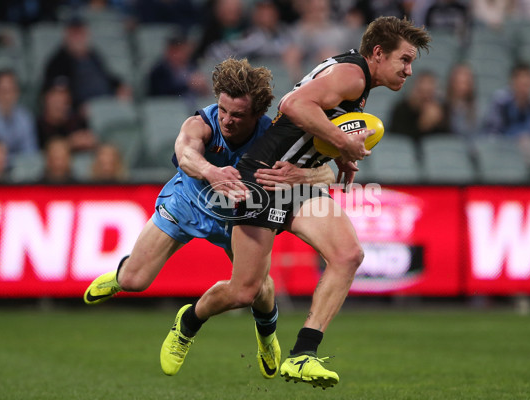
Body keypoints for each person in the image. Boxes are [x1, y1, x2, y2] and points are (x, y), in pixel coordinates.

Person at [159, 16, 431, 388]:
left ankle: (304, 354)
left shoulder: (355, 78)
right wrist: (342, 140)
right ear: (379, 54)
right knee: (244, 291)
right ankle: (188, 322)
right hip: (263, 176)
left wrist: (337, 154)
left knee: (348, 254)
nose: (409, 70)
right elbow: (293, 104)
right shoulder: (353, 75)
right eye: (405, 59)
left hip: (296, 183)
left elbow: (312, 118)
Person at [83, 58, 335, 380]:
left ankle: (266, 337)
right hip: (189, 201)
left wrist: (299, 175)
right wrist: (211, 171)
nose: (227, 120)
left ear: (257, 114)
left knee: (256, 289)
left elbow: (327, 173)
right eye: (223, 109)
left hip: (240, 215)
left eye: (237, 115)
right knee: (135, 281)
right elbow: (185, 152)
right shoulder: (202, 123)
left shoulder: (273, 136)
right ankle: (119, 276)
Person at [42, 16, 132, 118]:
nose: (78, 38)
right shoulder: (58, 62)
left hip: (107, 102)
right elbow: (56, 95)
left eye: (81, 33)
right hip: (83, 111)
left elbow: (107, 76)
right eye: (74, 34)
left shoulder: (92, 55)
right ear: (66, 36)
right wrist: (76, 107)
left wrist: (119, 86)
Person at [483, 62, 530, 166]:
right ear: (512, 82)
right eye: (522, 83)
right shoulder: (500, 101)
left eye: (528, 83)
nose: (525, 87)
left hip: (525, 154)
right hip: (499, 154)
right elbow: (493, 135)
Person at [388, 70, 447, 157]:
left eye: (429, 93)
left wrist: (439, 121)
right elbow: (397, 139)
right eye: (422, 92)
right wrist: (421, 126)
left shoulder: (441, 110)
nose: (425, 97)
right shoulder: (402, 108)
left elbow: (446, 140)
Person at [148, 32, 210, 111]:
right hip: (166, 111)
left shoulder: (192, 67)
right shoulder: (158, 71)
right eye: (177, 50)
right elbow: (161, 94)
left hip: (192, 109)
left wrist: (203, 88)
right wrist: (188, 84)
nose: (182, 54)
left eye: (183, 50)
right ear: (169, 51)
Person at [0, 69, 38, 167]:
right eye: (3, 91)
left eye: (11, 91)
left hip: (19, 174)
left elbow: (30, 154)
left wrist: (8, 161)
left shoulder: (25, 118)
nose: (7, 97)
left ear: (17, 92)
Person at [36, 76, 97, 152]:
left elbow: (91, 140)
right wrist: (69, 143)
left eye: (64, 97)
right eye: (55, 97)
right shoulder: (37, 126)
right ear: (45, 99)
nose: (60, 102)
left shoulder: (76, 121)